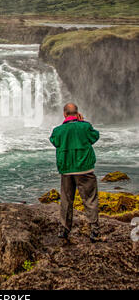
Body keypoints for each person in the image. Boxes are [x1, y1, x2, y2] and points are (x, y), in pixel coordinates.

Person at [49, 103, 100, 242]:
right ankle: (94, 231)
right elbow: (95, 136)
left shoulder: (58, 130)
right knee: (90, 199)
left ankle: (64, 230)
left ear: (64, 114)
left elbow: (54, 141)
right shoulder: (85, 126)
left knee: (66, 199)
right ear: (77, 113)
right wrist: (82, 122)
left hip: (66, 169)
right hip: (85, 168)